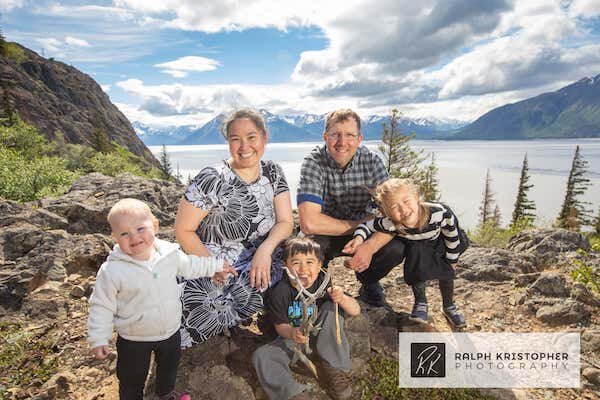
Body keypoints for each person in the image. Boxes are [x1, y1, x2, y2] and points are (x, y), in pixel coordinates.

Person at [88, 198, 237, 400]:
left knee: (168, 368)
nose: (134, 237)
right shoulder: (112, 270)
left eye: (140, 228)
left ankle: (165, 395)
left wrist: (216, 265)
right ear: (114, 237)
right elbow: (101, 306)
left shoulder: (169, 254)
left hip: (170, 331)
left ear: (155, 226)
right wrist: (99, 337)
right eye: (124, 233)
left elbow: (191, 266)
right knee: (132, 377)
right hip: (134, 338)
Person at [175, 109, 294, 345]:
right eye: (235, 139)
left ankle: (263, 321)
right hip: (212, 258)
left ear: (264, 138)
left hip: (263, 257)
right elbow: (183, 231)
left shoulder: (273, 172)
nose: (244, 146)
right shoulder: (211, 178)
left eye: (251, 137)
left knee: (269, 281)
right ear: (228, 142)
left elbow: (285, 221)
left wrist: (265, 250)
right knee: (195, 299)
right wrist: (212, 264)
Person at [297, 108, 404, 307]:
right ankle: (319, 288)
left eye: (349, 135)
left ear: (359, 138)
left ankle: (369, 282)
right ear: (325, 137)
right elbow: (309, 223)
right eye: (335, 134)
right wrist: (361, 224)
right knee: (307, 248)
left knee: (396, 248)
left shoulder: (372, 162)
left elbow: (394, 215)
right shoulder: (313, 162)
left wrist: (369, 245)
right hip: (325, 233)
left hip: (362, 232)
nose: (342, 142)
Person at [344, 178, 467, 327]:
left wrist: (452, 260)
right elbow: (367, 226)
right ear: (388, 212)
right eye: (395, 207)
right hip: (418, 247)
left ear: (416, 198)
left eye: (406, 201)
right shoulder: (391, 224)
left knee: (447, 274)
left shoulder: (439, 213)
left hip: (440, 242)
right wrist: (358, 238)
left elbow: (452, 234)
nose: (403, 210)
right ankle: (421, 302)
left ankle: (449, 306)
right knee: (416, 263)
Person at [253, 236, 360, 400]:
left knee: (332, 308)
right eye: (296, 263)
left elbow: (355, 310)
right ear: (286, 266)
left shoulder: (324, 282)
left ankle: (334, 368)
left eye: (310, 262)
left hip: (321, 336)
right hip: (292, 342)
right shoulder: (279, 291)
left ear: (319, 266)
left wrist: (342, 299)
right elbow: (280, 326)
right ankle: (291, 393)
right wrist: (292, 332)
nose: (303, 269)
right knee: (261, 356)